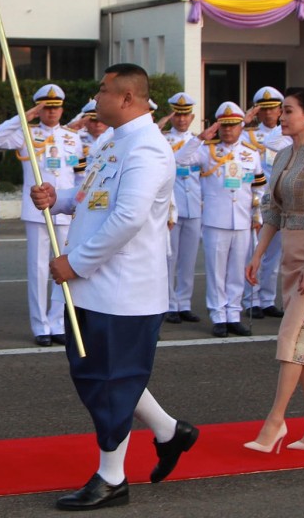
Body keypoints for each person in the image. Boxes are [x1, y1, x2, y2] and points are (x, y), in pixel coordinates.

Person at [30, 64, 199, 510]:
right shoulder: (110, 140)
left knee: (111, 380)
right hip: (93, 287)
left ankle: (112, 477)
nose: (96, 97)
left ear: (126, 97)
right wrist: (59, 198)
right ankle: (170, 431)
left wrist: (76, 263)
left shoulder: (148, 149)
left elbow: (128, 217)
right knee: (102, 375)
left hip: (123, 290)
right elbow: (93, 196)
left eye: (103, 90)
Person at [244, 88, 304, 454]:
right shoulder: (284, 154)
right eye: (282, 111)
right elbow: (272, 210)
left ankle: (276, 421)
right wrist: (258, 254)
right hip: (291, 252)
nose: (281, 117)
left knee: (290, 338)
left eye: (288, 111)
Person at [0, 84, 82, 346]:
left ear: (62, 109)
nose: (51, 113)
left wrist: (80, 206)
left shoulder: (73, 138)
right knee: (39, 270)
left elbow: (81, 175)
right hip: (37, 211)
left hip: (65, 212)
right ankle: (40, 325)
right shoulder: (26, 135)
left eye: (55, 107)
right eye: (46, 108)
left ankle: (58, 322)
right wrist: (25, 116)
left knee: (63, 268)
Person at [174, 102, 266, 337]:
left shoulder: (250, 152)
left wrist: (257, 214)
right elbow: (179, 160)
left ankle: (234, 314)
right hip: (216, 220)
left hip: (243, 221)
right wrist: (200, 138)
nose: (228, 131)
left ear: (240, 126)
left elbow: (259, 187)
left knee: (236, 271)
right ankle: (218, 315)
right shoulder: (206, 151)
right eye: (223, 126)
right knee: (216, 272)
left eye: (233, 126)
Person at [157, 92, 202, 324]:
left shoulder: (201, 142)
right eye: (178, 115)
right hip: (171, 207)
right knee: (169, 258)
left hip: (194, 205)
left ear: (192, 117)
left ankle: (184, 302)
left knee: (188, 259)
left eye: (185, 116)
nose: (182, 120)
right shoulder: (163, 139)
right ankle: (169, 303)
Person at [245, 86, 289, 319]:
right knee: (253, 252)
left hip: (278, 200)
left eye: (273, 110)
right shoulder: (248, 135)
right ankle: (250, 299)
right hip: (256, 201)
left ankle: (267, 299)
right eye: (265, 110)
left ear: (280, 110)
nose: (270, 115)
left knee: (274, 255)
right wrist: (244, 121)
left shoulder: (287, 135)